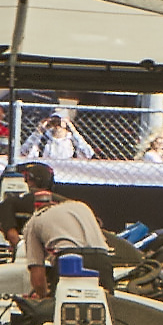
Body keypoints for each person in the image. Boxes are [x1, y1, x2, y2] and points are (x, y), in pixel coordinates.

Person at [17, 163, 110, 300]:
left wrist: (43, 298)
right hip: (103, 261)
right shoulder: (81, 206)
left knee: (64, 312)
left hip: (69, 263)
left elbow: (37, 277)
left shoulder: (33, 222)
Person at [19, 109, 94, 162]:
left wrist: (73, 130)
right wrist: (38, 132)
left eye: (59, 121)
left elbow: (89, 153)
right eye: (54, 121)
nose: (57, 125)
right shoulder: (44, 140)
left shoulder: (72, 141)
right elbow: (24, 152)